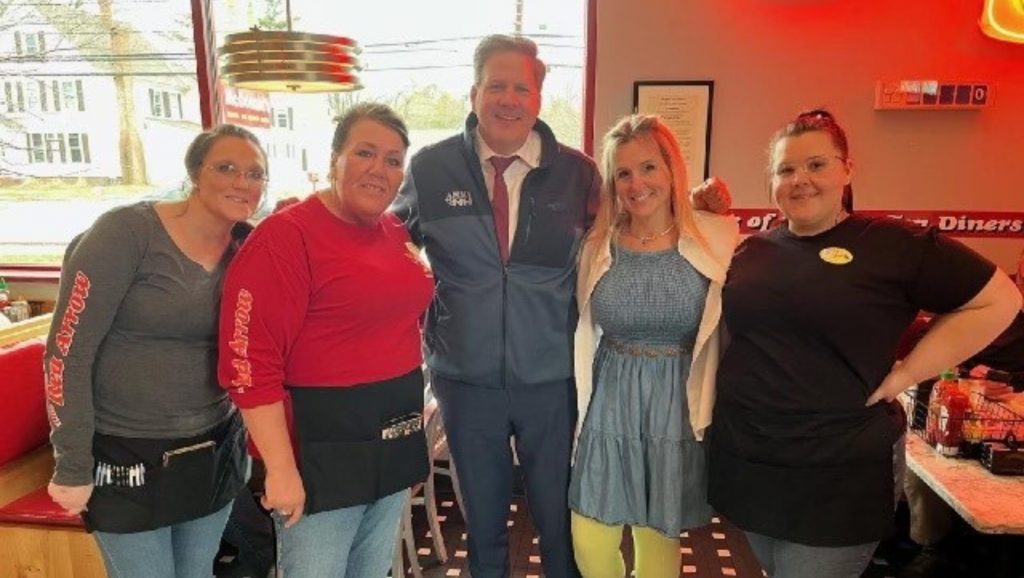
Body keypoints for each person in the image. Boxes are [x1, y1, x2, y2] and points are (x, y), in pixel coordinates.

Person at [394, 34, 729, 578]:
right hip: (464, 379)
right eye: (496, 85)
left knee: (560, 521)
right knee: (482, 527)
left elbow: (636, 219)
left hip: (552, 380)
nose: (508, 99)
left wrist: (695, 208)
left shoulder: (577, 174)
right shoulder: (430, 169)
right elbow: (385, 241)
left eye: (520, 87)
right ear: (474, 92)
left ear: (538, 99)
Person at [707, 109, 1022, 578]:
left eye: (817, 164)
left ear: (846, 170)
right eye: (785, 169)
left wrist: (908, 373)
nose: (801, 180)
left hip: (838, 472)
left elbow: (998, 300)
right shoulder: (754, 251)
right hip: (751, 461)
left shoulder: (891, 245)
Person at [218, 102, 434, 578]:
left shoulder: (393, 230)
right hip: (319, 452)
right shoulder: (285, 238)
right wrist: (279, 468)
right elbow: (248, 364)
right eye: (365, 153)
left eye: (394, 160)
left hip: (390, 437)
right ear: (334, 159)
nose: (380, 169)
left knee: (371, 569)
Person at [44, 124, 261, 577]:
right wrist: (72, 463)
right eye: (226, 167)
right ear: (195, 173)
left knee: (197, 573)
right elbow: (66, 354)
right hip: (124, 456)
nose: (243, 182)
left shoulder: (249, 246)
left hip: (212, 448)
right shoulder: (126, 232)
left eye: (255, 174)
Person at [569, 114, 738, 578]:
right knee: (589, 535)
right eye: (622, 173)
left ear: (671, 170)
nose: (636, 183)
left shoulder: (715, 236)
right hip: (610, 397)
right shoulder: (596, 244)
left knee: (658, 535)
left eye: (648, 168)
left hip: (675, 402)